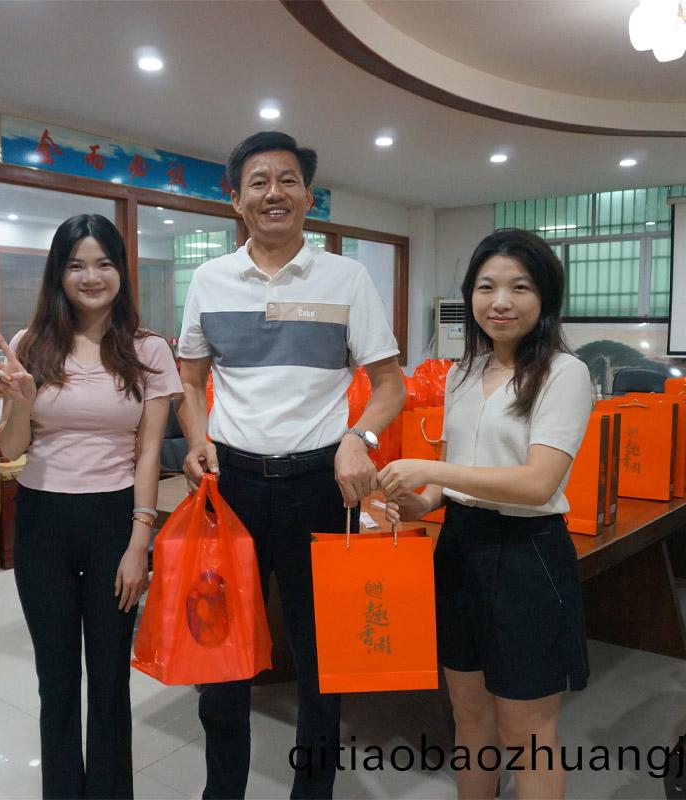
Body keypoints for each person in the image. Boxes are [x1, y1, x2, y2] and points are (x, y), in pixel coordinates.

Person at [175, 131, 405, 799]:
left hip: (318, 488)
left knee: (321, 660)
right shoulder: (209, 280)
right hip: (233, 487)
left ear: (308, 196)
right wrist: (196, 437)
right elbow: (189, 378)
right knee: (221, 655)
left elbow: (389, 384)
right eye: (258, 182)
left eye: (287, 181)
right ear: (236, 200)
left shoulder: (347, 278)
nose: (273, 193)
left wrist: (360, 435)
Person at [0, 214, 182, 799]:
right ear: (58, 274)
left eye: (103, 263)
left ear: (121, 272)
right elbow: (12, 448)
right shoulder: (30, 345)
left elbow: (148, 453)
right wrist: (20, 400)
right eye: (76, 265)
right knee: (57, 679)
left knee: (110, 680)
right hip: (42, 520)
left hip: (115, 520)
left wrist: (140, 542)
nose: (91, 277)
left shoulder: (148, 349)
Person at [380, 228, 592, 800]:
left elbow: (537, 483)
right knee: (468, 715)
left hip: (527, 556)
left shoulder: (564, 373)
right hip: (460, 548)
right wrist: (419, 500)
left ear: (546, 296)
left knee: (527, 732)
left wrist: (431, 470)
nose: (500, 301)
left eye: (519, 287)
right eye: (486, 286)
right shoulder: (462, 372)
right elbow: (456, 478)